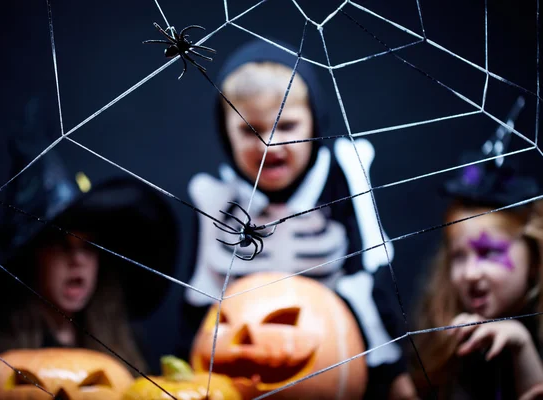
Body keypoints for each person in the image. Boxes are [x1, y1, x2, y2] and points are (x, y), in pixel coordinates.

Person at [178, 38, 417, 399]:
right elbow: (199, 307)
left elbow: (371, 289)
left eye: (286, 126)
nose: (267, 145)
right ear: (225, 134)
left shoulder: (346, 178)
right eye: (248, 129)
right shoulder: (215, 200)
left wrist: (398, 381)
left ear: (314, 123)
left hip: (339, 371)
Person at [0, 95, 179, 398]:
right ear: (34, 253)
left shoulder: (121, 336)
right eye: (61, 245)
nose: (77, 260)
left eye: (89, 247)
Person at [410, 109, 543, 399]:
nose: (469, 273)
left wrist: (521, 347)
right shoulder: (449, 340)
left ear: (534, 258)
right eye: (458, 256)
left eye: (489, 252)